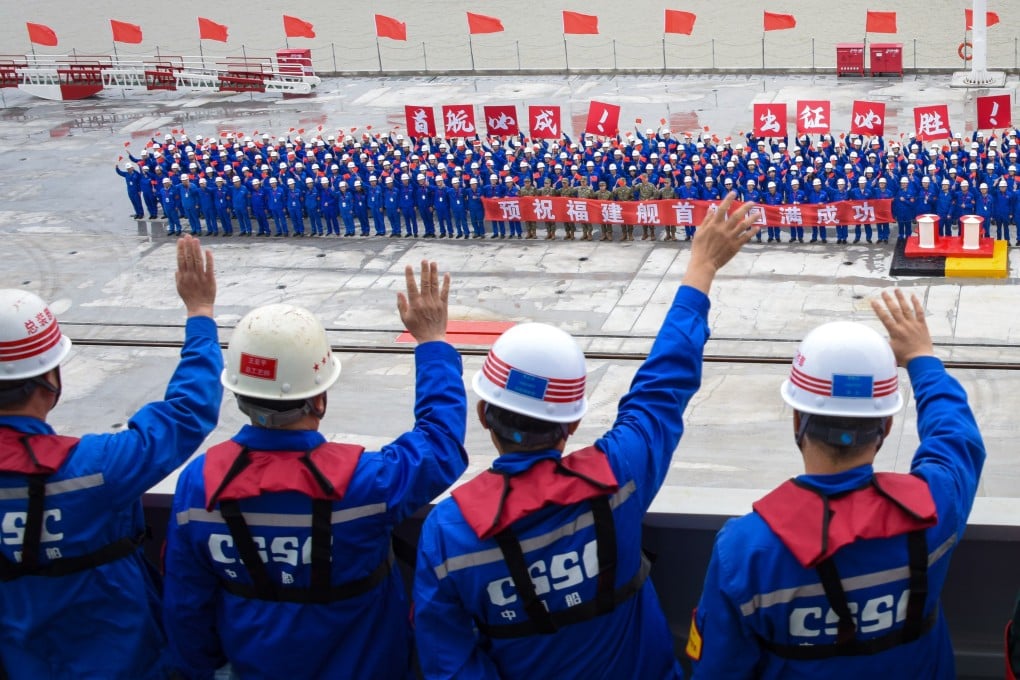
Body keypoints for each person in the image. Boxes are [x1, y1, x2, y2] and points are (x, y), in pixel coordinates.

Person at [414, 193, 759, 679]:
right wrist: (701, 268)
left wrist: (432, 345)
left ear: (483, 413)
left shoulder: (449, 533)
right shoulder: (617, 479)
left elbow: (448, 666)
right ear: (572, 422)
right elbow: (663, 388)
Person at [163, 261, 468, 680]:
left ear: (238, 396)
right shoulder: (365, 484)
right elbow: (439, 444)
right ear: (319, 399)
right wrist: (433, 342)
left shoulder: (199, 488)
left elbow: (185, 606)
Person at [688, 289, 985, 679]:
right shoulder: (936, 507)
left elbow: (720, 669)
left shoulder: (746, 551)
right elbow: (957, 438)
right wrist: (922, 358)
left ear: (798, 421)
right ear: (887, 426)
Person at [0, 235, 221, 678]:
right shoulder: (95, 469)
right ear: (50, 378)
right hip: (125, 660)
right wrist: (200, 315)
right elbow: (187, 413)